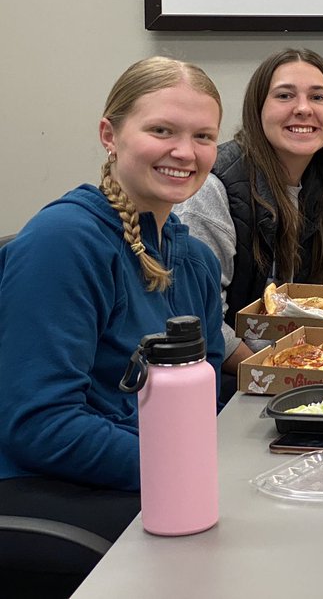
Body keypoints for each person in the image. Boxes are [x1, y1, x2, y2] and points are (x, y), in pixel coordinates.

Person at [0, 58, 225, 585]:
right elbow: (40, 425)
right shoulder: (64, 243)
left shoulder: (195, 262)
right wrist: (186, 469)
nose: (184, 153)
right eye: (161, 130)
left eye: (203, 136)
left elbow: (202, 401)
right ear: (110, 134)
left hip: (146, 471)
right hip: (45, 484)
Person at [176, 49, 323, 391]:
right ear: (257, 109)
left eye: (318, 96)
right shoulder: (212, 190)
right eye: (285, 95)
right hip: (224, 386)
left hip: (283, 368)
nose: (303, 108)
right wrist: (279, 372)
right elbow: (202, 323)